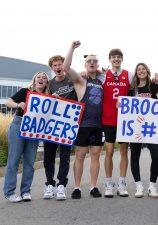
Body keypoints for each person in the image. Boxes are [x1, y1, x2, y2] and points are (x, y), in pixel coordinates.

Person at [63, 41, 104, 199]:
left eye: (94, 61)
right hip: (84, 125)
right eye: (89, 61)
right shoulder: (81, 80)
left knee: (95, 156)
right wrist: (72, 48)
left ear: (97, 64)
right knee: (80, 155)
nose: (92, 63)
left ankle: (93, 186)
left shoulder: (102, 81)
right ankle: (77, 187)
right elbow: (66, 69)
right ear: (85, 64)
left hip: (98, 125)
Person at [3, 71, 50, 202]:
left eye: (44, 78)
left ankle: (25, 191)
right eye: (38, 77)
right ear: (34, 80)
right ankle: (10, 192)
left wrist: (56, 99)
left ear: (46, 82)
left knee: (30, 162)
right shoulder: (25, 91)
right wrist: (18, 104)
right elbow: (8, 102)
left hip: (34, 130)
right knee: (14, 160)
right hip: (19, 124)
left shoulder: (48, 97)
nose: (41, 79)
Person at [128, 63, 158, 198]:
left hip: (152, 128)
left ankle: (152, 186)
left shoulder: (153, 86)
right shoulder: (132, 89)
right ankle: (139, 186)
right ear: (136, 73)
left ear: (147, 71)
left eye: (143, 69)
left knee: (157, 156)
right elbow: (124, 106)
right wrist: (120, 104)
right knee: (135, 156)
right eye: (138, 69)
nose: (141, 71)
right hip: (136, 127)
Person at [98, 48, 134, 197]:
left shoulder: (129, 75)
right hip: (108, 118)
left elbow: (135, 94)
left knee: (124, 151)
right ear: (110, 59)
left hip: (124, 120)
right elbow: (89, 78)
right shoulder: (103, 75)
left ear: (122, 59)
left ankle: (122, 182)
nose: (116, 59)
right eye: (113, 57)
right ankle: (108, 183)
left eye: (119, 57)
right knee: (109, 151)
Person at [43, 55, 77, 201]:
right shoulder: (49, 84)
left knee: (65, 157)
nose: (58, 67)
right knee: (48, 157)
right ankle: (50, 184)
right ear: (52, 68)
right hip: (52, 126)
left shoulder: (72, 80)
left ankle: (62, 184)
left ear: (64, 65)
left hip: (67, 125)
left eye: (60, 64)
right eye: (55, 65)